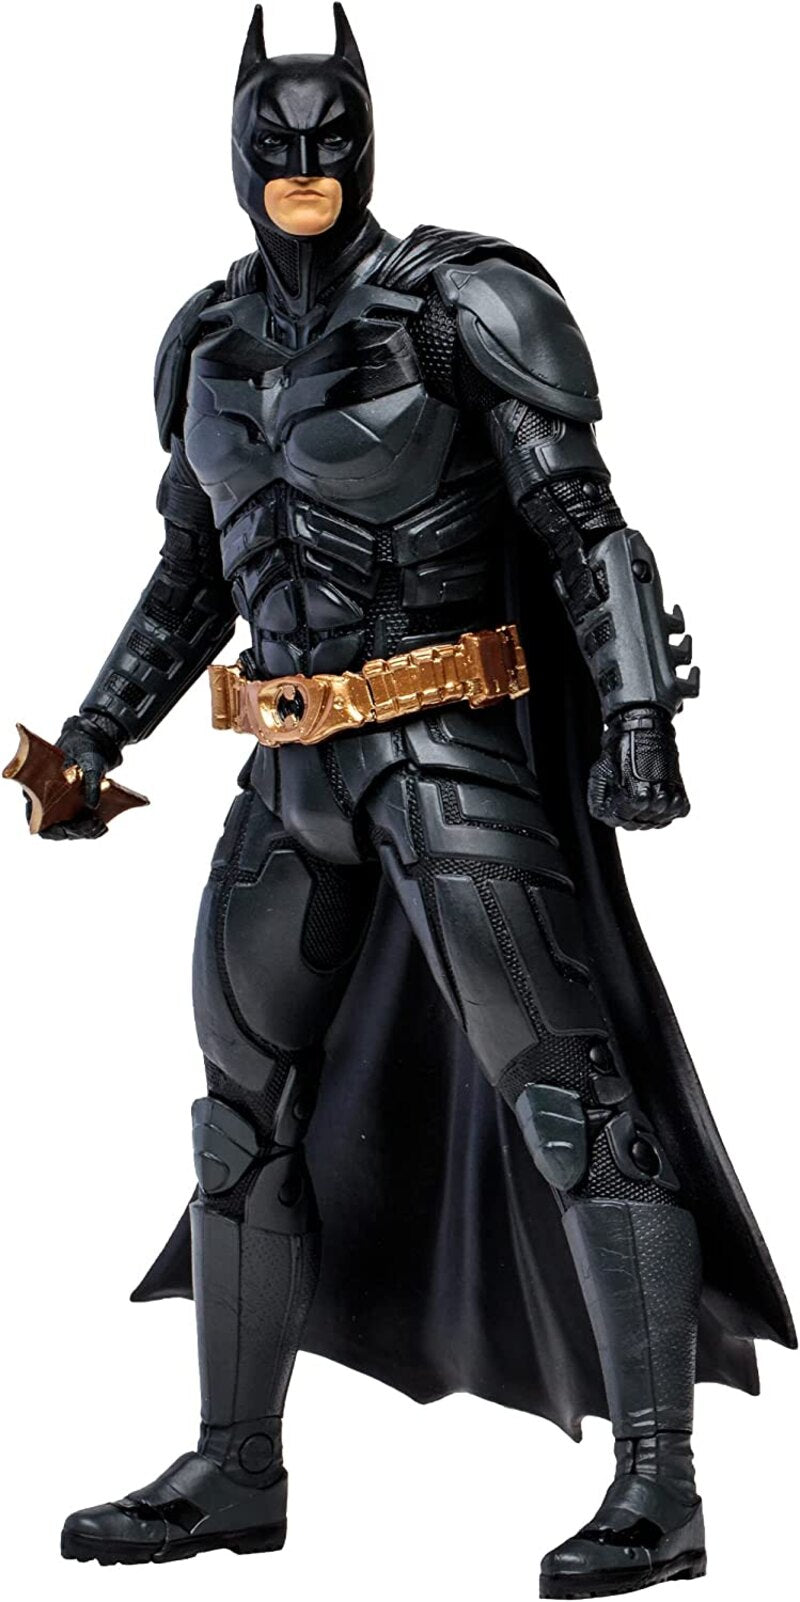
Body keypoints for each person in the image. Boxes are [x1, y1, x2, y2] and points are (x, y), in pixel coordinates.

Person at [42, 7, 792, 1594]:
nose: (305, 160)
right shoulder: (206, 345)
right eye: (276, 137)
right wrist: (93, 736)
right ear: (235, 146)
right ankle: (237, 1466)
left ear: (370, 135)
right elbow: (192, 574)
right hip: (287, 775)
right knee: (239, 1122)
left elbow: (586, 529)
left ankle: (661, 1488)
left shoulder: (464, 307)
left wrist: (638, 720)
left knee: (572, 1099)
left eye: (332, 134)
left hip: (443, 750)